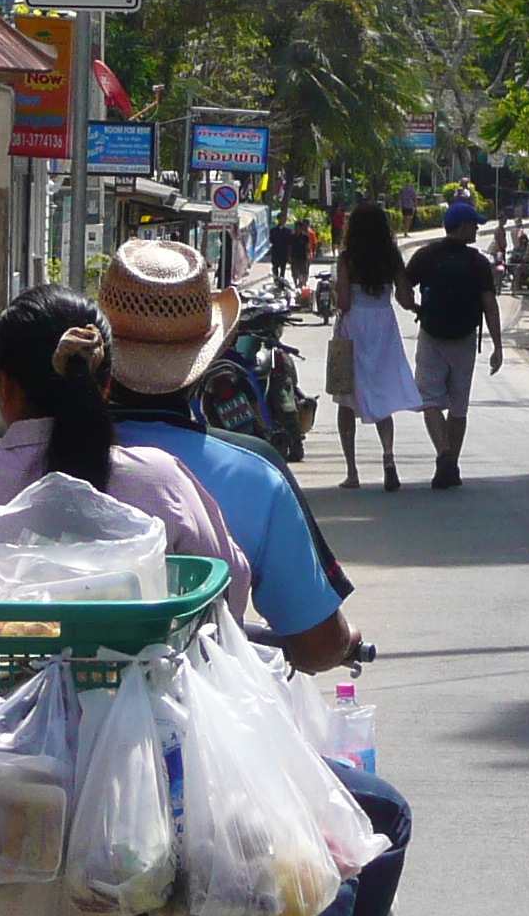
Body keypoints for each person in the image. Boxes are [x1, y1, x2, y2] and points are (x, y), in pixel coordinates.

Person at [0, 285, 253, 623]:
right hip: (141, 690)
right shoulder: (160, 480)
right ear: (106, 385)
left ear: (4, 387)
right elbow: (231, 591)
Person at [98, 238, 364, 671]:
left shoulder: (30, 456)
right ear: (211, 353)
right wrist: (347, 641)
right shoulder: (255, 473)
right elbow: (317, 646)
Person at [401, 211, 503, 489]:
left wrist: (415, 308)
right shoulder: (477, 262)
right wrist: (497, 345)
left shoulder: (426, 255)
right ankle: (451, 463)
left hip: (432, 335)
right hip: (465, 339)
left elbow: (402, 289)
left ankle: (444, 454)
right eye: (475, 225)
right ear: (465, 226)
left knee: (430, 400)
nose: (477, 230)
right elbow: (490, 306)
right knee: (458, 406)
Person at [325, 204, 418, 493]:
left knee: (345, 397)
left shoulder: (347, 258)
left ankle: (352, 471)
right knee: (380, 394)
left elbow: (344, 304)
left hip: (354, 328)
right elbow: (403, 298)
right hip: (383, 326)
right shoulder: (391, 257)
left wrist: (334, 290)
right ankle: (388, 459)